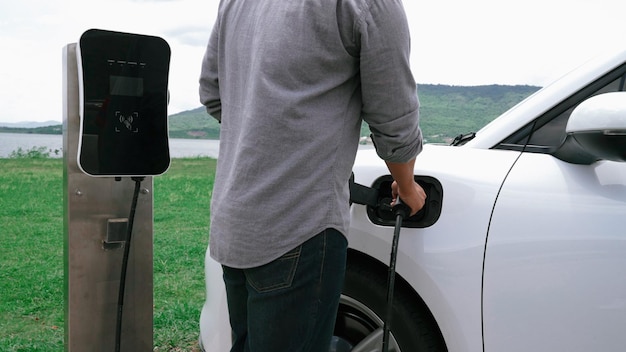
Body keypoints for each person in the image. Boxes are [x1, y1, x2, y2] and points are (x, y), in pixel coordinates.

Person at [199, 0, 426, 350]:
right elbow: (393, 118)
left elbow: (213, 93)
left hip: (235, 222)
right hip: (300, 226)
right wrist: (408, 186)